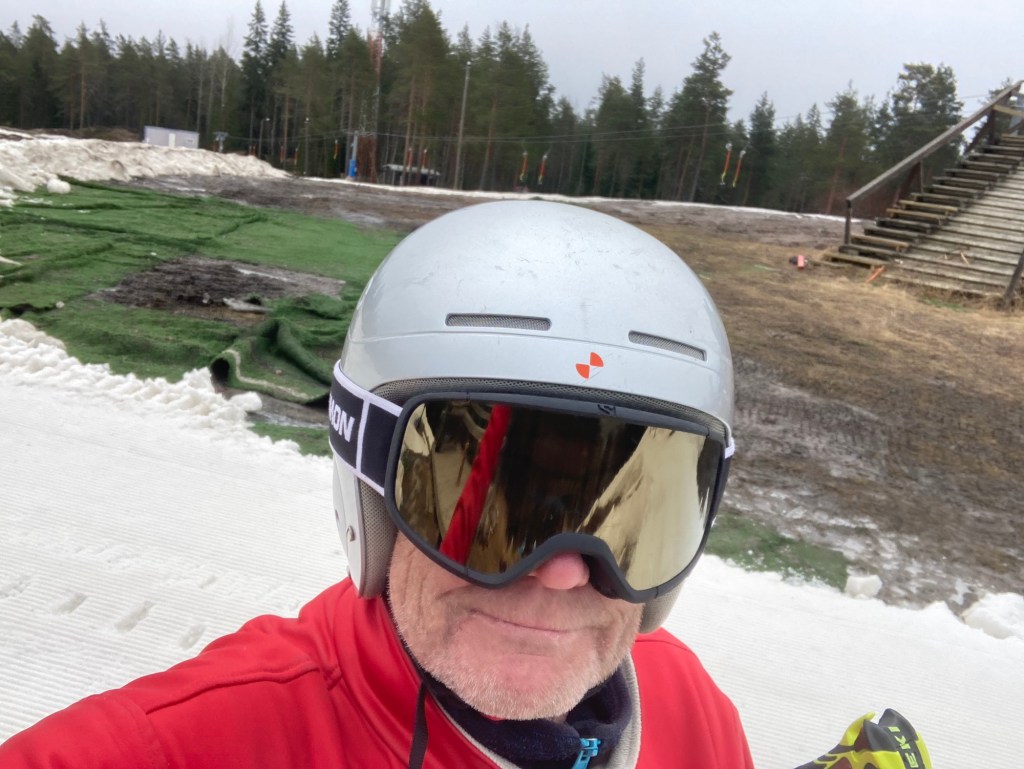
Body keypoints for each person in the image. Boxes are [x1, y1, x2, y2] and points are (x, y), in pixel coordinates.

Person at [0, 200, 753, 768]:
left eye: (627, 514)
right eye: (496, 509)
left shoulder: (692, 711)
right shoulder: (187, 745)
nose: (562, 572)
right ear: (370, 491)